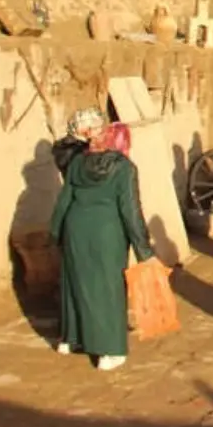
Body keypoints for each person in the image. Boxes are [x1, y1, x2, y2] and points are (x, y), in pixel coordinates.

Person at [50, 122, 157, 371]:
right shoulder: (124, 168)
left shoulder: (76, 164)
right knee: (107, 290)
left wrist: (55, 233)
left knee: (75, 283)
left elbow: (64, 200)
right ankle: (109, 351)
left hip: (75, 227)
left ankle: (69, 340)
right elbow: (130, 210)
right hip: (107, 233)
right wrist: (144, 250)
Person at [52, 107, 106, 178]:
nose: (100, 130)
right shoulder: (70, 151)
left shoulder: (83, 144)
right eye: (96, 128)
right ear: (86, 130)